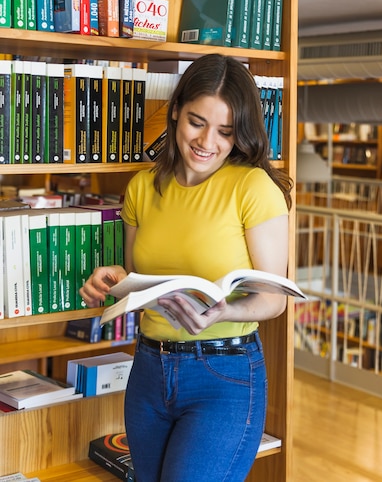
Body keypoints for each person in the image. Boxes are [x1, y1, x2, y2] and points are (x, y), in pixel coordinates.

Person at [79, 53, 292, 482]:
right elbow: (137, 277)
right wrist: (113, 281)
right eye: (197, 122)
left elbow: (273, 299)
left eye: (225, 131)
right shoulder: (142, 187)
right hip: (149, 371)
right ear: (176, 111)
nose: (207, 142)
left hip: (224, 375)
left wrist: (223, 310)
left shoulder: (252, 187)